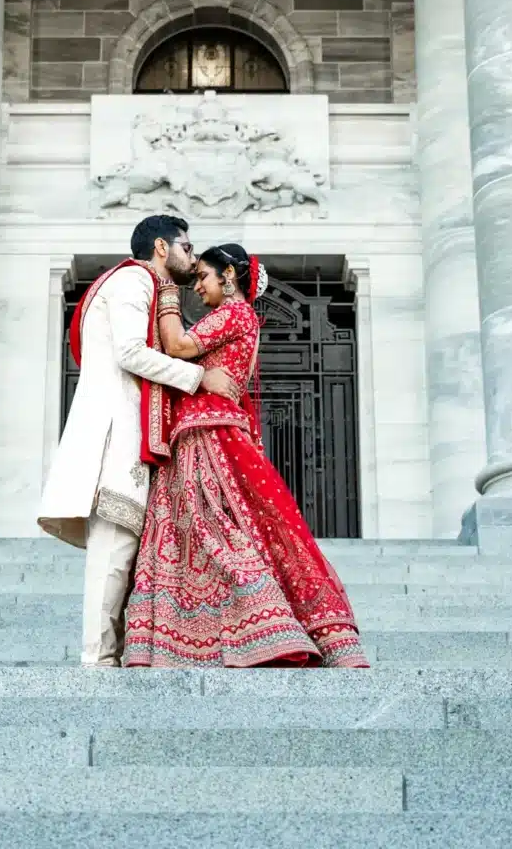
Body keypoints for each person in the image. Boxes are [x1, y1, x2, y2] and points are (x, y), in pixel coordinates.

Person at [123, 243, 369, 668]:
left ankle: (248, 626)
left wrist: (165, 294)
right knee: (219, 525)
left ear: (229, 276)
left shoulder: (233, 314)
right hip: (213, 427)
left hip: (207, 431)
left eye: (202, 276)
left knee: (211, 524)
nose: (197, 286)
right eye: (193, 278)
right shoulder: (243, 320)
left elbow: (179, 347)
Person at [36, 215, 243, 668]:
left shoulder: (144, 284)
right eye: (187, 248)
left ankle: (113, 655)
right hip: (118, 435)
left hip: (132, 433)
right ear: (162, 249)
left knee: (126, 553)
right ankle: (97, 661)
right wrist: (199, 376)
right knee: (113, 551)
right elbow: (130, 352)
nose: (193, 257)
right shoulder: (134, 279)